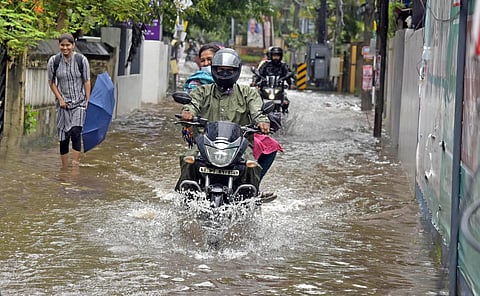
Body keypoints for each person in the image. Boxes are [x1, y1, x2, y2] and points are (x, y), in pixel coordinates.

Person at [175, 48, 270, 194]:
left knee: (252, 165)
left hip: (239, 147)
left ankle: (253, 198)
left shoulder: (248, 93)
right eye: (220, 70)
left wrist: (262, 122)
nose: (224, 73)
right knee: (188, 159)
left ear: (237, 71)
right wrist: (187, 113)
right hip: (205, 145)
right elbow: (192, 104)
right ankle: (184, 195)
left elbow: (257, 111)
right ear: (213, 70)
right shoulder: (202, 91)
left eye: (229, 70)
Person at [48, 33, 91, 167]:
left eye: (68, 45)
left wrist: (88, 100)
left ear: (73, 45)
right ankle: (64, 167)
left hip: (79, 102)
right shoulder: (54, 61)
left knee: (76, 132)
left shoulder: (81, 60)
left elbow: (87, 81)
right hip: (63, 104)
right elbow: (51, 82)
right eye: (62, 45)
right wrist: (60, 99)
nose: (65, 48)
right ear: (59, 45)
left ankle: (75, 164)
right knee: (64, 136)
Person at [255, 46, 293, 113]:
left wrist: (290, 83)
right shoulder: (266, 64)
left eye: (277, 56)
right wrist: (255, 82)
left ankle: (284, 111)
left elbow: (288, 74)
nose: (276, 57)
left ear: (280, 56)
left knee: (285, 101)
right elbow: (259, 73)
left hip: (278, 88)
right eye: (274, 56)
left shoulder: (283, 65)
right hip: (266, 87)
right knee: (257, 98)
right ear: (271, 56)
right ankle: (257, 113)